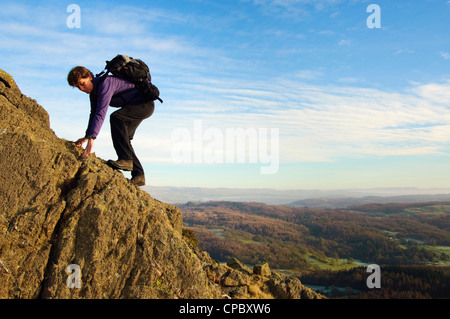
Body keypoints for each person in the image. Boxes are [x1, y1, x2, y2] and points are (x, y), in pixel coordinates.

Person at [67, 66, 154, 186]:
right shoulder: (94, 93)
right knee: (124, 139)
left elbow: (101, 112)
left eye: (82, 84)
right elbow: (93, 115)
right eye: (78, 87)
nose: (82, 88)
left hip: (144, 105)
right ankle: (139, 175)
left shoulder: (105, 83)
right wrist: (87, 136)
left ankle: (126, 160)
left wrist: (92, 138)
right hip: (137, 107)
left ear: (89, 77)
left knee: (116, 118)